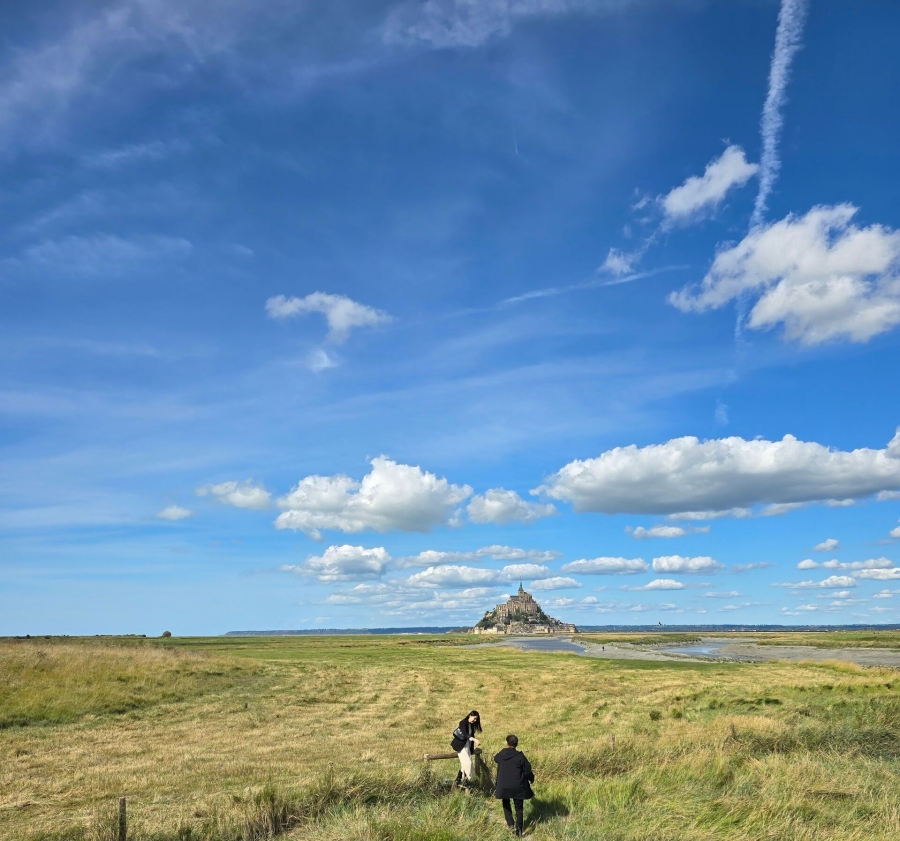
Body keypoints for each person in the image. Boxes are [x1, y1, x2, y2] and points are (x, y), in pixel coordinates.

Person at [493, 734, 534, 836]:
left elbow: (495, 759)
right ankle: (519, 831)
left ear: (507, 743)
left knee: (505, 801)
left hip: (503, 785)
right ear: (516, 744)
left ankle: (510, 823)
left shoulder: (501, 754)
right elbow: (528, 770)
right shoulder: (520, 756)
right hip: (518, 786)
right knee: (519, 808)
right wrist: (531, 779)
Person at [450, 710, 482, 788]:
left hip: (467, 745)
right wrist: (474, 740)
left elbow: (471, 735)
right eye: (474, 718)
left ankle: (460, 779)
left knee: (464, 764)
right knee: (468, 763)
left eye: (476, 719)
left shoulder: (471, 725)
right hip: (461, 746)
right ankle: (469, 779)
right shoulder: (463, 723)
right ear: (470, 716)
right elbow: (465, 734)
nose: (475, 720)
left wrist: (472, 747)